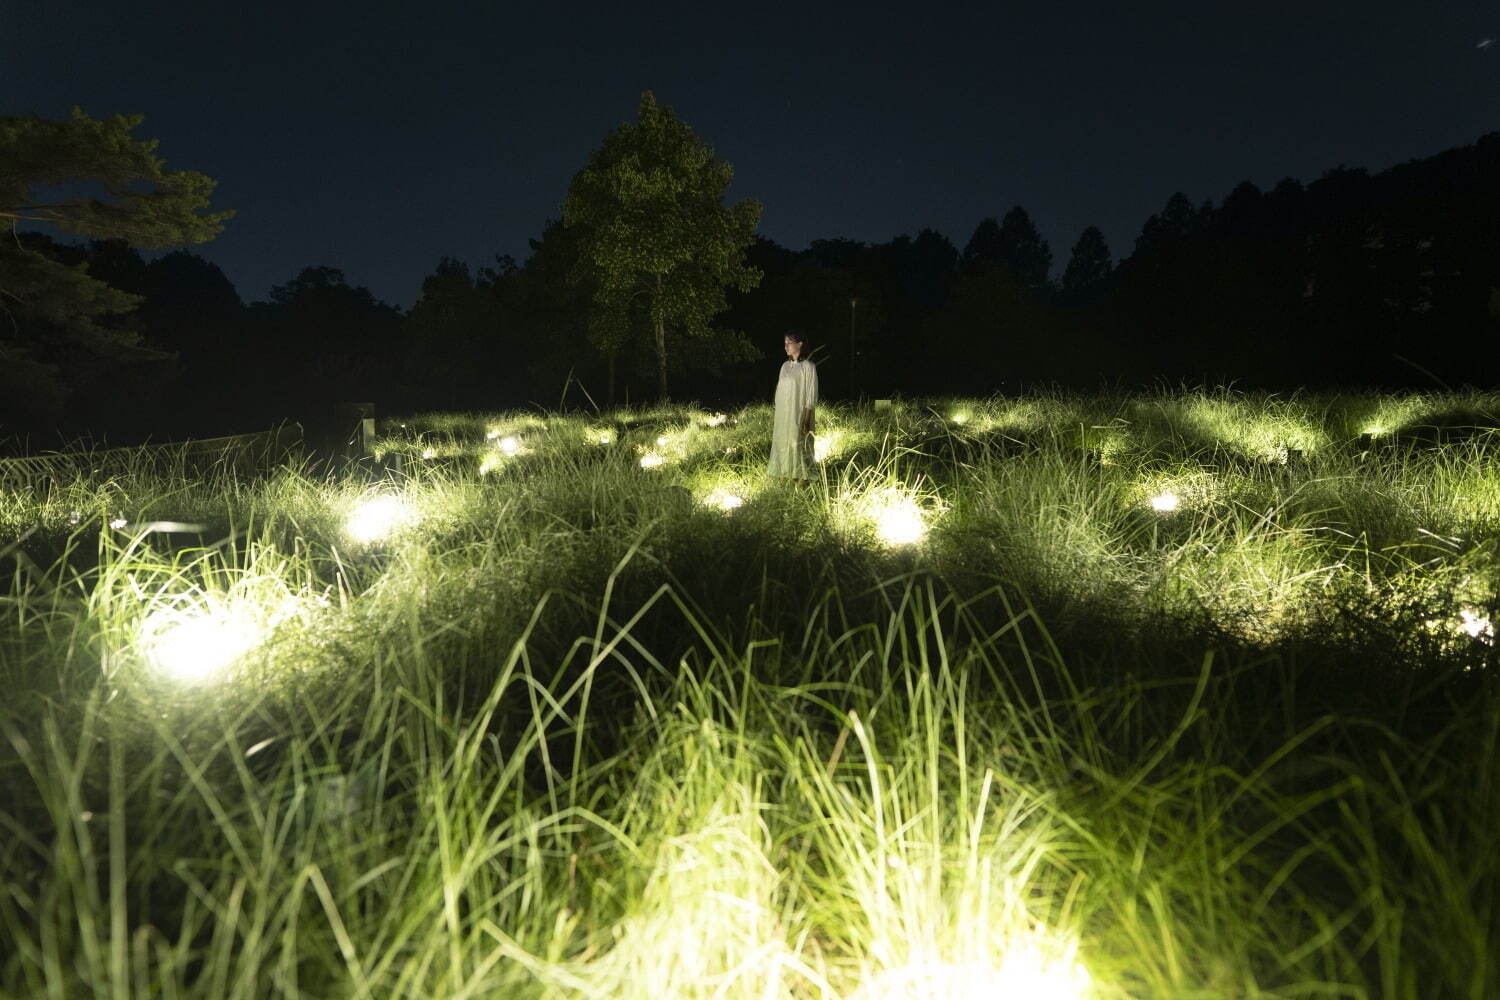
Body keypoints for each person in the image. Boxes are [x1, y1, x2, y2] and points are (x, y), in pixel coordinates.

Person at [768, 329, 818, 479]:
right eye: (785, 343)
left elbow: (811, 394)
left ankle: (801, 477)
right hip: (783, 414)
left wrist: (807, 418)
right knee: (782, 441)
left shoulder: (808, 367)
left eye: (789, 343)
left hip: (798, 413)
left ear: (800, 344)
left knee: (798, 443)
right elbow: (779, 391)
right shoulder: (784, 366)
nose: (786, 346)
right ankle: (784, 473)